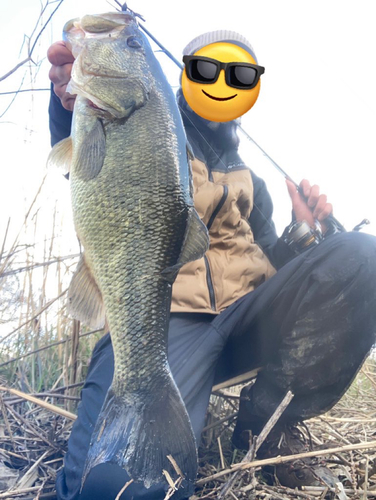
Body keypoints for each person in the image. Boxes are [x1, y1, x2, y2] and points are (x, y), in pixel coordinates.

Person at [47, 29, 376, 500]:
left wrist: (302, 234)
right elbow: (82, 157)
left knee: (364, 256)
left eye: (240, 75)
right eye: (206, 68)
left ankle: (264, 426)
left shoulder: (254, 183)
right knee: (115, 489)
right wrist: (66, 101)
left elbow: (269, 267)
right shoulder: (150, 127)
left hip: (245, 321)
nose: (223, 82)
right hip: (160, 325)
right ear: (183, 76)